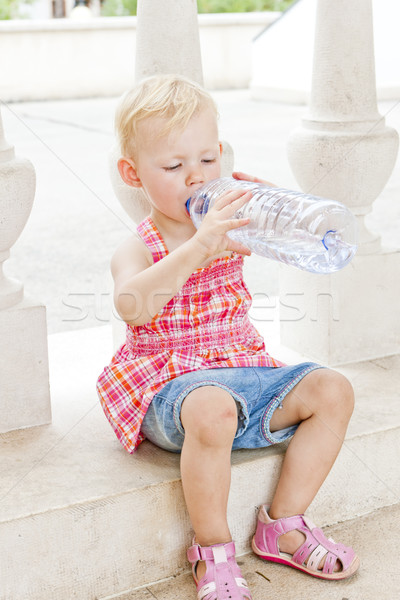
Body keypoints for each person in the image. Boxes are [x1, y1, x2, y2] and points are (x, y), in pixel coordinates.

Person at [97, 74, 359, 600]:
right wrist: (198, 247)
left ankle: (282, 525)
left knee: (334, 390)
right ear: (133, 174)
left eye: (208, 160)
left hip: (244, 373)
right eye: (173, 167)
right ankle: (212, 550)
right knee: (214, 406)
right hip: (171, 389)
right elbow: (132, 306)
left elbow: (289, 232)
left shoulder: (232, 226)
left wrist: (277, 211)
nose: (196, 178)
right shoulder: (139, 246)